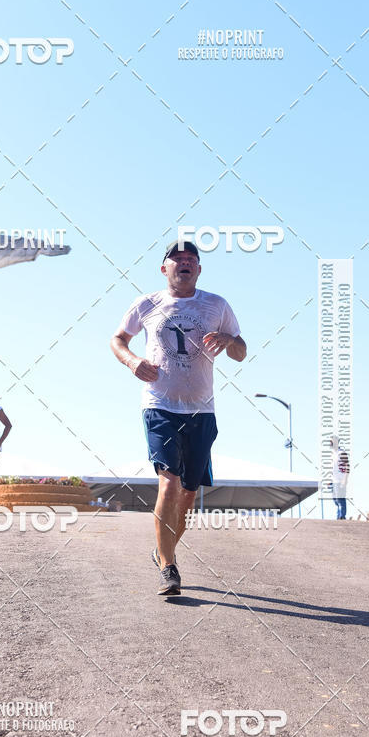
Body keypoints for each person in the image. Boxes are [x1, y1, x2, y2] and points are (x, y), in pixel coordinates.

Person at [111, 240, 246, 595]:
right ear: (164, 268)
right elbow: (118, 338)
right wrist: (132, 361)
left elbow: (241, 353)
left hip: (202, 409)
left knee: (188, 494)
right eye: (177, 259)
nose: (184, 264)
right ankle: (169, 567)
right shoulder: (147, 304)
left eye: (191, 260)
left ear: (199, 269)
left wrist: (229, 338)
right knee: (169, 483)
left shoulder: (217, 305)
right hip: (159, 405)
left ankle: (162, 550)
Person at [331, 437, 350, 520]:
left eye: (332, 442)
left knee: (340, 499)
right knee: (335, 499)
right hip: (333, 480)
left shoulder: (342, 453)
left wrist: (345, 479)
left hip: (340, 480)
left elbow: (347, 466)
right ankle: (339, 515)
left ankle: (341, 516)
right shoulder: (332, 454)